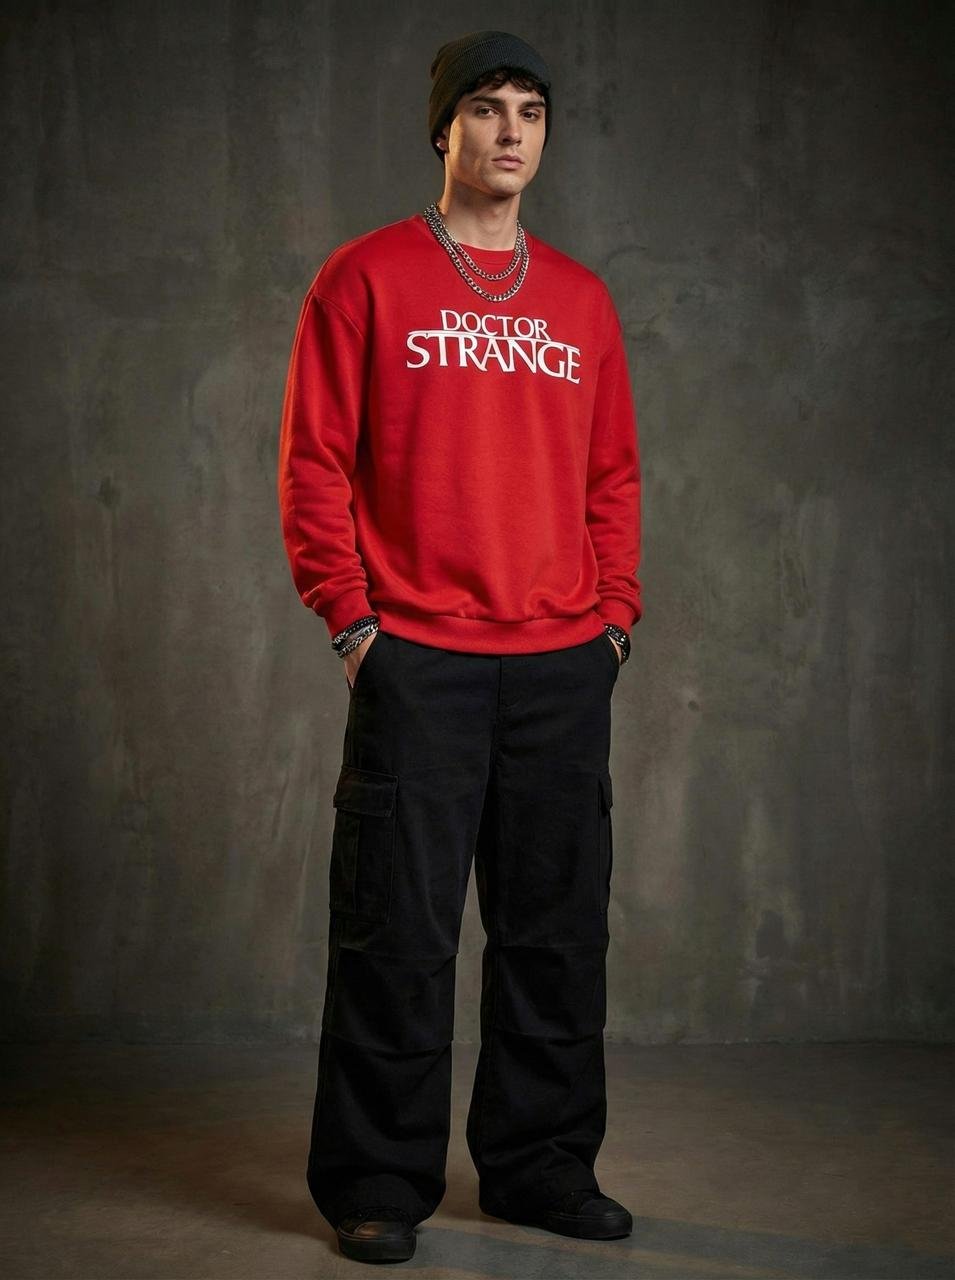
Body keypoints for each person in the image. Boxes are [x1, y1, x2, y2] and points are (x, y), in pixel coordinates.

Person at [277, 28, 642, 1266]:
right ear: (444, 129)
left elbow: (613, 474)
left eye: (530, 111)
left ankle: (541, 1168)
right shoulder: (365, 278)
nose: (509, 132)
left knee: (554, 935)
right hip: (416, 658)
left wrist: (613, 620)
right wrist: (351, 618)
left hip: (560, 662)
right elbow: (313, 462)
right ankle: (378, 1181)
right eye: (486, 108)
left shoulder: (580, 300)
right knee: (398, 933)